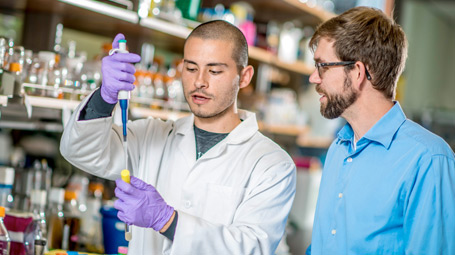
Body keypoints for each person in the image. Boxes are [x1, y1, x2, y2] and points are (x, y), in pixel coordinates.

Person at [60, 20, 296, 254]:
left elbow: (252, 248)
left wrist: (168, 221)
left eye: (214, 71)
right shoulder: (152, 135)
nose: (199, 81)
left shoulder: (272, 164)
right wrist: (105, 97)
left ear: (244, 77)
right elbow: (79, 151)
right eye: (191, 68)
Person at [305, 6, 455, 255]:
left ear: (357, 72)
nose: (314, 78)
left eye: (322, 66)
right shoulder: (338, 149)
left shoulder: (428, 159)